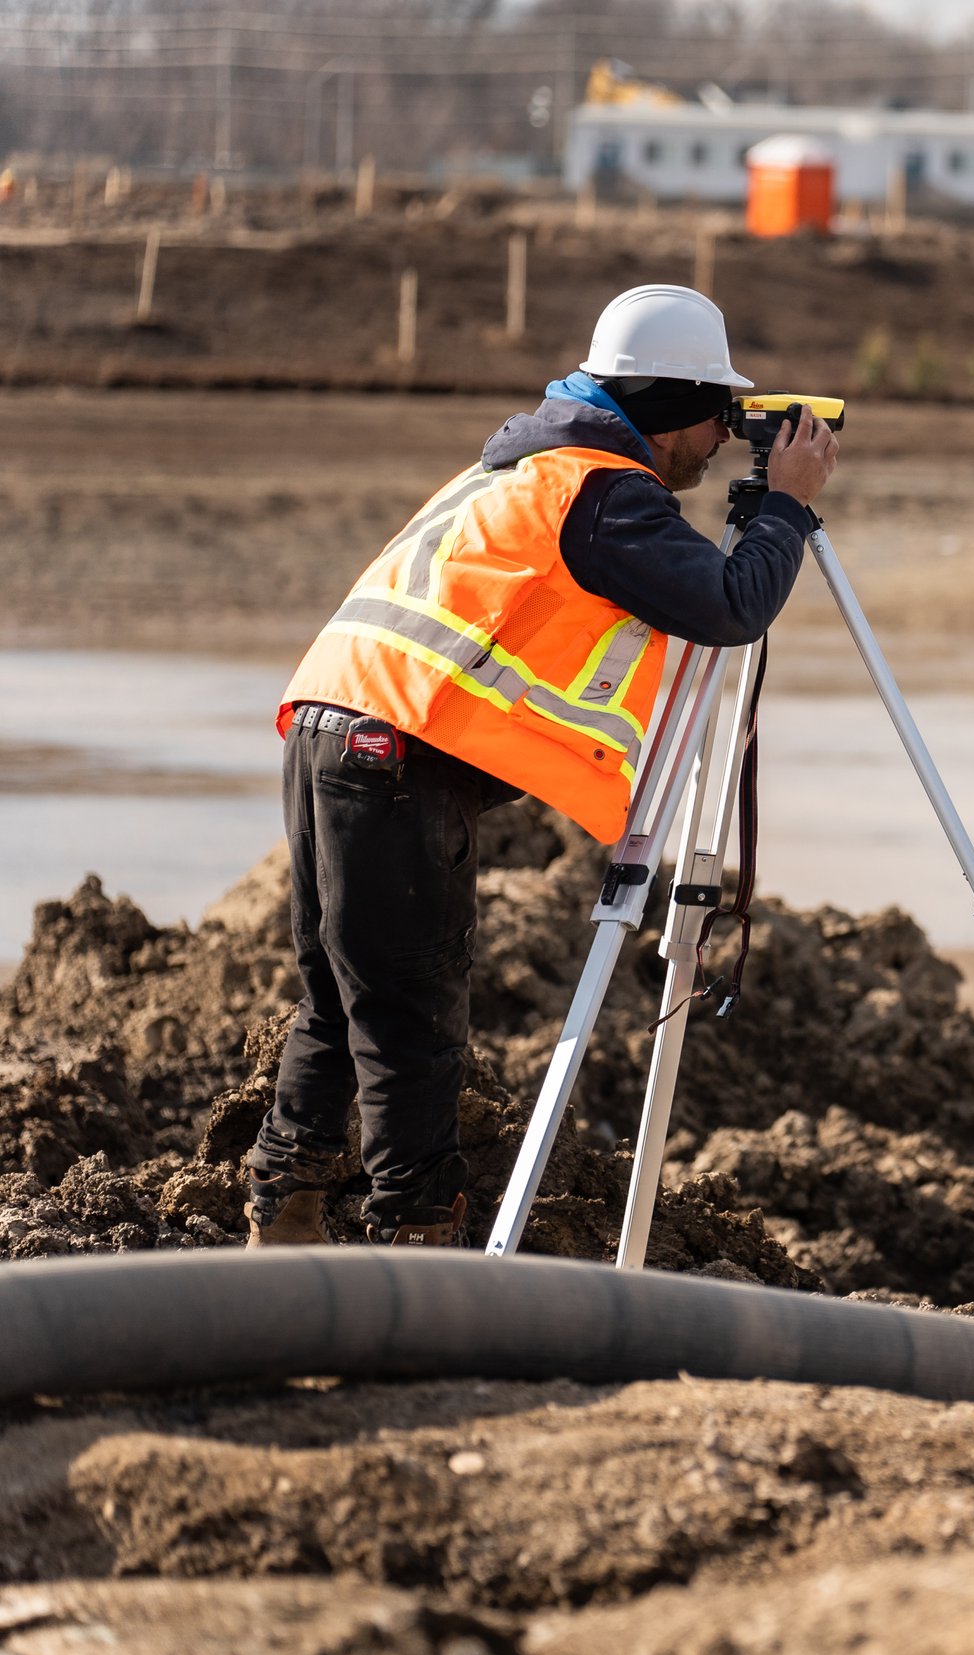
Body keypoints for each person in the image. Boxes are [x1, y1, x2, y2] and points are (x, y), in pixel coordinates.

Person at [244, 284, 839, 1248]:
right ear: (664, 402)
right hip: (392, 751)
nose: (716, 442)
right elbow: (732, 606)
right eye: (713, 417)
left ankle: (285, 1219)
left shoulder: (520, 469)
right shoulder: (601, 492)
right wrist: (788, 511)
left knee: (341, 995)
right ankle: (414, 1249)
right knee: (411, 1022)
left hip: (332, 722)